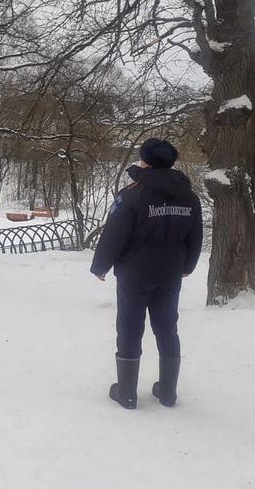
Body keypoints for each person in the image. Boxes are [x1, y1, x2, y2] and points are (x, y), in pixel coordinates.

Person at [90, 138, 203, 409]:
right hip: (170, 274)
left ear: (146, 162)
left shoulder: (131, 194)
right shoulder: (189, 196)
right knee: (167, 328)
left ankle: (127, 393)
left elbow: (114, 233)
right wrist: (187, 266)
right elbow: (195, 236)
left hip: (134, 274)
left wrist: (101, 266)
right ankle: (167, 392)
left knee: (130, 327)